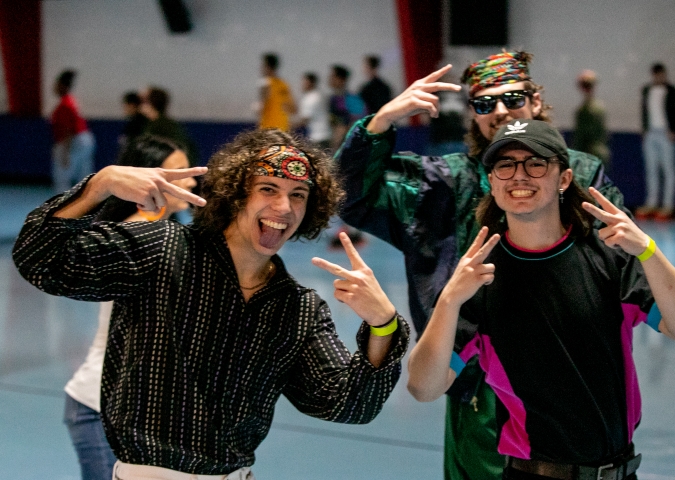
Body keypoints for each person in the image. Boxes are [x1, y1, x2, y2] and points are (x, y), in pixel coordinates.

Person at [13, 129, 409, 478]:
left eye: (298, 195)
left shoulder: (298, 307)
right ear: (235, 194)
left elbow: (345, 403)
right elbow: (41, 259)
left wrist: (383, 324)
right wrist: (98, 185)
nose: (283, 208)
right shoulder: (163, 249)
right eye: (267, 189)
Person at [334, 50, 628, 479]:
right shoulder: (443, 184)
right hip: (479, 386)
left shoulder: (580, 173)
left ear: (536, 101)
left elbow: (620, 264)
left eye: (513, 98)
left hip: (574, 376)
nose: (501, 112)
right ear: (473, 115)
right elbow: (351, 193)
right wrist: (380, 122)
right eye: (485, 104)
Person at [407, 119, 675, 480]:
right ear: (491, 181)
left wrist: (648, 251)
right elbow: (423, 388)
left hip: (619, 471)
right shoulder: (479, 278)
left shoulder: (608, 256)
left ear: (563, 178)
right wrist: (448, 303)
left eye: (535, 163)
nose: (520, 176)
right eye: (505, 165)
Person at [63, 135, 196, 480]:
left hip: (130, 410)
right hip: (98, 405)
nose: (191, 181)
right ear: (147, 178)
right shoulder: (139, 232)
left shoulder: (166, 230)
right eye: (179, 173)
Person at [638, 63, 675, 221]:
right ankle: (652, 202)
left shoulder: (673, 93)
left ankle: (668, 204)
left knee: (668, 169)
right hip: (651, 133)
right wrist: (645, 129)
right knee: (651, 169)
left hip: (666, 133)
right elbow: (645, 111)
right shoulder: (647, 91)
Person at [50, 69, 95, 193]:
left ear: (63, 86)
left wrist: (65, 153)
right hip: (84, 140)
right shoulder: (71, 101)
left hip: (74, 141)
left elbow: (68, 130)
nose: (54, 87)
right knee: (84, 175)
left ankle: (61, 204)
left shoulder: (65, 105)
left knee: (62, 175)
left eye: (57, 85)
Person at [141, 86, 199, 165]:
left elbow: (183, 151)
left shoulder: (164, 126)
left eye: (143, 101)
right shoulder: (153, 124)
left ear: (150, 103)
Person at [573, 69, 609, 164]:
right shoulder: (599, 107)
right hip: (600, 153)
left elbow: (582, 136)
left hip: (588, 155)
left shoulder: (585, 110)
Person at [256, 53, 296, 132]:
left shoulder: (265, 84)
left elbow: (260, 108)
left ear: (267, 67)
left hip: (268, 129)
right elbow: (293, 109)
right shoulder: (284, 84)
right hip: (283, 129)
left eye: (262, 66)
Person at [328, 64, 366, 149]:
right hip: (337, 143)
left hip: (351, 143)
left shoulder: (351, 98)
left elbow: (360, 120)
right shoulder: (333, 99)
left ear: (341, 79)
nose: (329, 79)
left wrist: (343, 130)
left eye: (332, 76)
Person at [294, 72, 332, 149]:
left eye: (304, 82)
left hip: (318, 137)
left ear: (310, 83)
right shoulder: (318, 95)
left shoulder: (311, 98)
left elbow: (305, 119)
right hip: (325, 135)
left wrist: (288, 126)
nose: (302, 84)